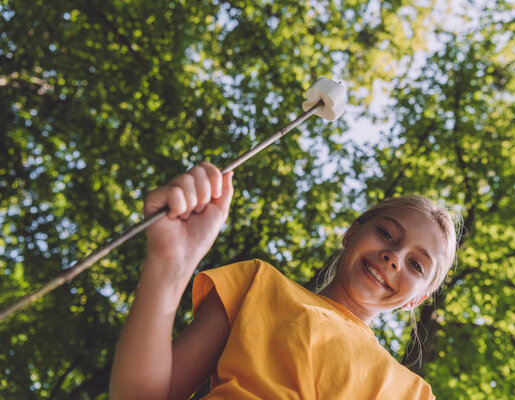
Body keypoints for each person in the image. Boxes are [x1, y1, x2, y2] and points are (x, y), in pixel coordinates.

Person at [109, 161, 460, 400]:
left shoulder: (412, 393)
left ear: (417, 299)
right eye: (386, 234)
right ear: (352, 233)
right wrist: (169, 263)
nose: (394, 257)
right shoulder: (258, 284)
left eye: (416, 265)